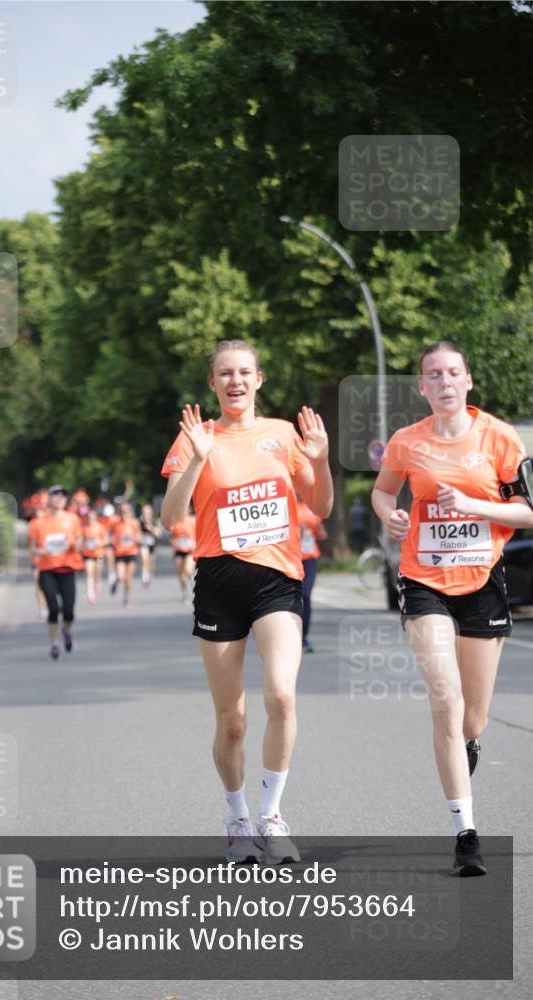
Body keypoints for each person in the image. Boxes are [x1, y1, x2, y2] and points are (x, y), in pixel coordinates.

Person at [161, 339, 333, 863]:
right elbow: (170, 517)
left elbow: (321, 505)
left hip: (277, 580)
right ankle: (236, 819)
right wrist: (198, 460)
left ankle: (271, 815)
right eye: (225, 373)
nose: (235, 381)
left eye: (243, 372)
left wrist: (321, 461)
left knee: (282, 697)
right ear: (212, 383)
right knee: (231, 720)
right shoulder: (195, 437)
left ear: (258, 380)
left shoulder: (281, 434)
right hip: (218, 581)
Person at [371, 341, 532, 876]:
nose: (444, 382)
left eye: (452, 373)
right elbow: (382, 491)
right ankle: (466, 833)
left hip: (483, 582)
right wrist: (390, 514)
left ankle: (469, 742)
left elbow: (528, 512)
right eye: (433, 375)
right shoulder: (407, 441)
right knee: (445, 697)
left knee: (472, 717)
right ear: (422, 387)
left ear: (467, 381)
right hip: (424, 581)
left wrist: (471, 505)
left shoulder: (499, 437)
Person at [28, 485, 83, 659]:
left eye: (63, 496)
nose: (59, 498)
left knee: (68, 611)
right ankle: (54, 643)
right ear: (48, 499)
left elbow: (79, 541)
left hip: (67, 569)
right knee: (52, 609)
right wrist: (39, 551)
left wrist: (77, 544)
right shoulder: (38, 523)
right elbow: (32, 548)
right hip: (47, 570)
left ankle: (66, 629)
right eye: (56, 495)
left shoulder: (73, 519)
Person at [296, 501, 326, 653]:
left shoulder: (312, 508)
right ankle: (291, 636)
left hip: (309, 559)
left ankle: (304, 637)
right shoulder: (286, 503)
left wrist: (316, 532)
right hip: (291, 557)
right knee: (292, 597)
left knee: (306, 595)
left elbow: (321, 533)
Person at [110, 502, 142, 607]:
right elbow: (111, 535)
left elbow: (140, 537)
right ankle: (115, 582)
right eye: (122, 512)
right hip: (119, 553)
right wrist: (112, 541)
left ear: (130, 512)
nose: (124, 514)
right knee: (120, 576)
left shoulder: (134, 523)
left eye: (126, 512)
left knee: (128, 578)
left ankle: (126, 599)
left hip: (131, 553)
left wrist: (134, 537)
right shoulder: (116, 523)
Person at [82, 508, 109, 603]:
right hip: (87, 554)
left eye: (92, 517)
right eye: (89, 517)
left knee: (97, 573)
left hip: (98, 553)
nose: (90, 519)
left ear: (96, 518)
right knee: (89, 573)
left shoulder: (100, 527)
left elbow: (106, 540)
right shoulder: (84, 528)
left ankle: (98, 583)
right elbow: (81, 540)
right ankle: (90, 594)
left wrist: (99, 542)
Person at [170, 511, 196, 603]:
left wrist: (195, 544)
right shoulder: (175, 522)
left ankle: (193, 587)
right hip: (179, 550)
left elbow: (199, 533)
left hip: (190, 550)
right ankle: (185, 592)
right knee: (181, 574)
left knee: (188, 570)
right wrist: (174, 543)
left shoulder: (193, 520)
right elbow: (172, 537)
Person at [139, 503, 162, 586]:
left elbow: (158, 534)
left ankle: (150, 573)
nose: (146, 514)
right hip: (143, 544)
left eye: (147, 512)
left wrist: (151, 527)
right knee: (145, 560)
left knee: (151, 562)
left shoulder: (154, 521)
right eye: (144, 512)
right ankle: (144, 577)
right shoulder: (139, 522)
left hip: (152, 544)